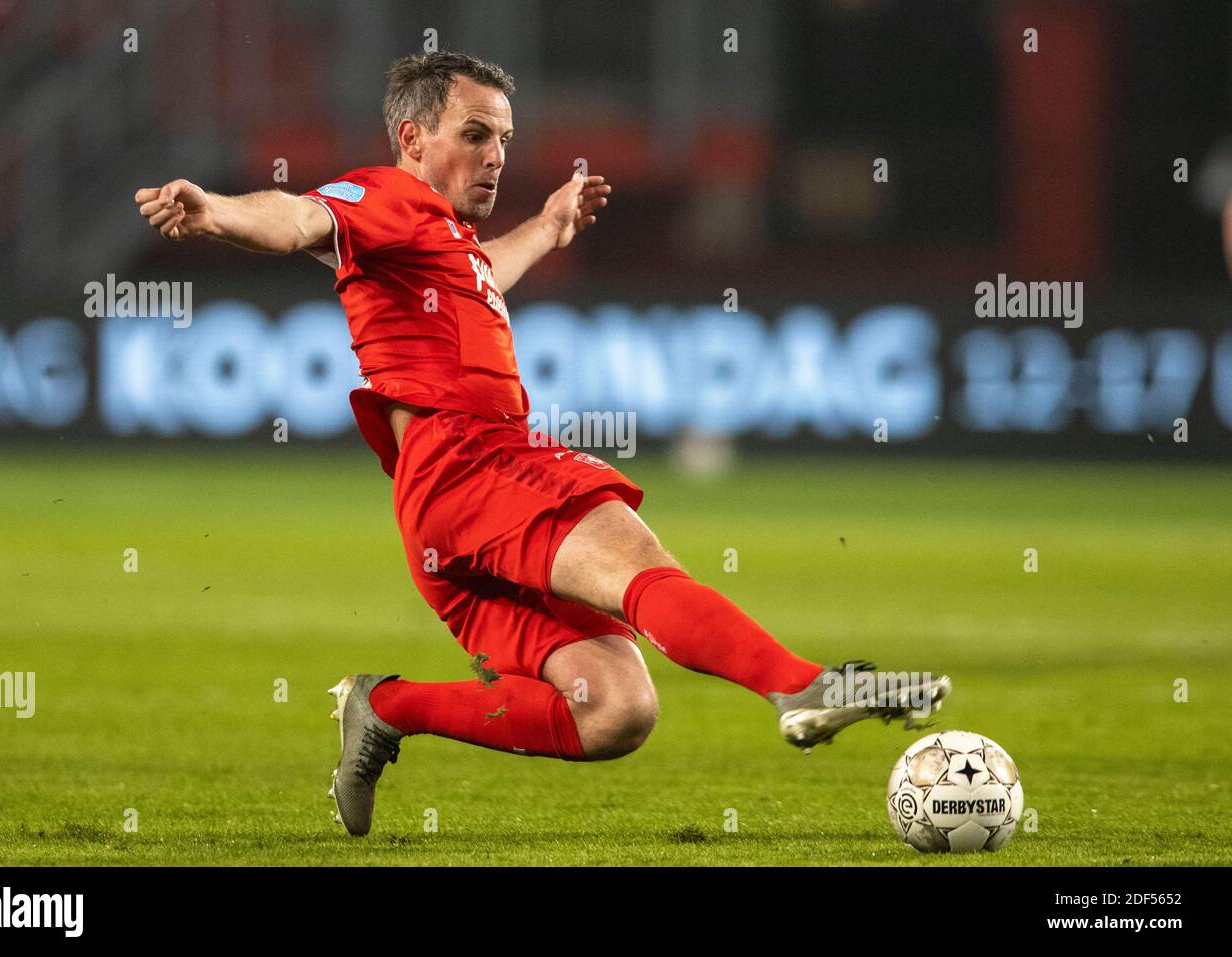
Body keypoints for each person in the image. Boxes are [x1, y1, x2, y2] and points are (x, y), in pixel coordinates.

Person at [135, 50, 949, 837]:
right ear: (414, 139)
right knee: (633, 560)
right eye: (477, 134)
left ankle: (384, 707)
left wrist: (550, 227)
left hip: (442, 513)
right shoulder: (385, 194)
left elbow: (481, 271)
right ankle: (800, 687)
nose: (496, 155)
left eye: (505, 139)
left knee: (616, 711)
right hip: (471, 464)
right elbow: (299, 214)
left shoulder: (437, 239)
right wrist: (216, 210)